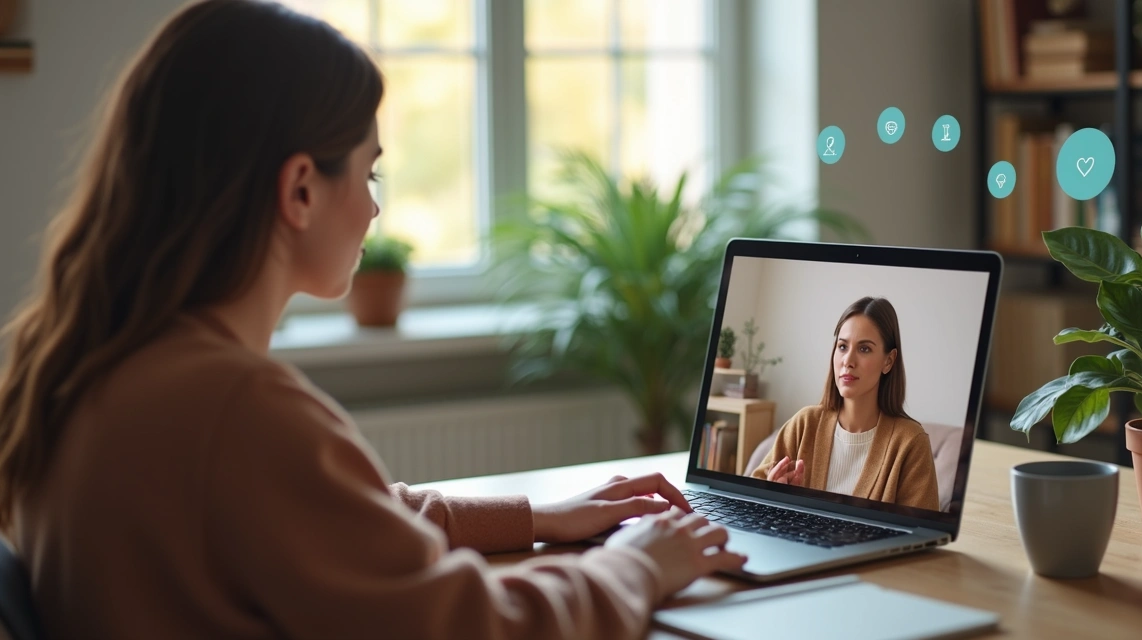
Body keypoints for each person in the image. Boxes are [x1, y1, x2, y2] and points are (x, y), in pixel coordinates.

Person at [0, 2, 746, 638]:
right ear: (299, 190)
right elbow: (473, 629)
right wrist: (640, 563)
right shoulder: (236, 410)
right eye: (369, 172)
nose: (374, 207)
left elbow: (339, 519)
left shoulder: (98, 367)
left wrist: (540, 517)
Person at [749, 297, 938, 511]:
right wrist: (775, 498)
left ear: (889, 361)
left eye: (864, 349)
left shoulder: (911, 443)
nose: (848, 360)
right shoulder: (804, 423)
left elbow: (921, 536)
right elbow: (751, 503)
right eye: (842, 346)